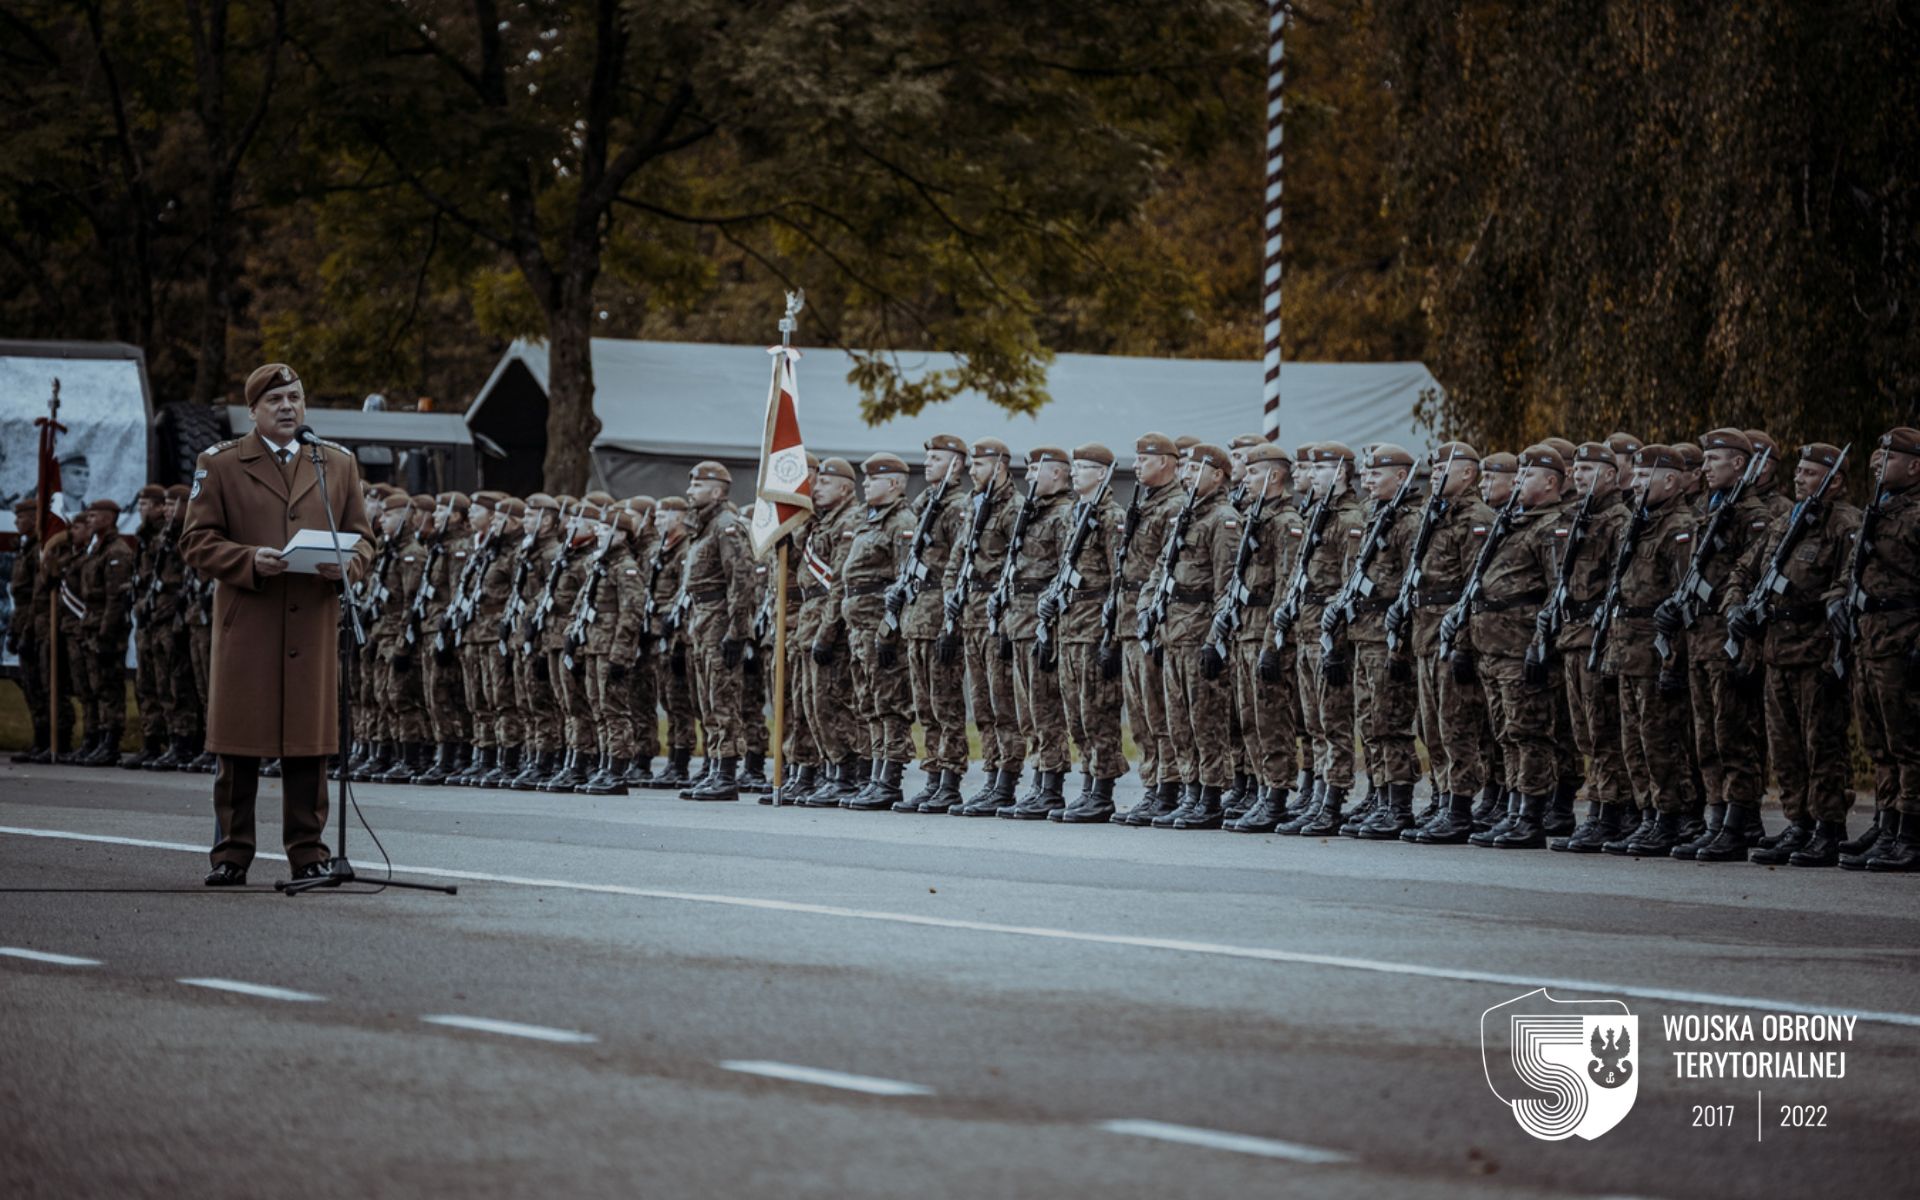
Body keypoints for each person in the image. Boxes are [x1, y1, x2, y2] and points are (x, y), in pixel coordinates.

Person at [180, 362, 375, 886]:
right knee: (238, 747)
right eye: (276, 400)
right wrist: (247, 560)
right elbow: (195, 541)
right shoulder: (219, 463)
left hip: (312, 621)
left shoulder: (334, 463)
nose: (288, 406)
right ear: (253, 412)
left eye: (295, 397)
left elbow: (362, 536)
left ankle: (308, 851)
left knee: (309, 745)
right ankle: (231, 853)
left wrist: (348, 565)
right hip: (250, 623)